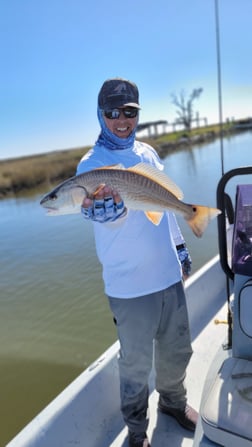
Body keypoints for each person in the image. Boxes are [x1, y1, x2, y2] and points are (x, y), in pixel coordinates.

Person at [76, 77, 198, 447]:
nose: (121, 119)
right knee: (135, 365)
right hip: (129, 288)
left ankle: (174, 403)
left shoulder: (147, 154)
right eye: (112, 112)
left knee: (178, 350)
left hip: (168, 278)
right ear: (101, 116)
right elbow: (98, 211)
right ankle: (136, 431)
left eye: (129, 111)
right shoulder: (92, 164)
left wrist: (180, 250)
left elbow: (163, 208)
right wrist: (101, 213)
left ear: (137, 114)